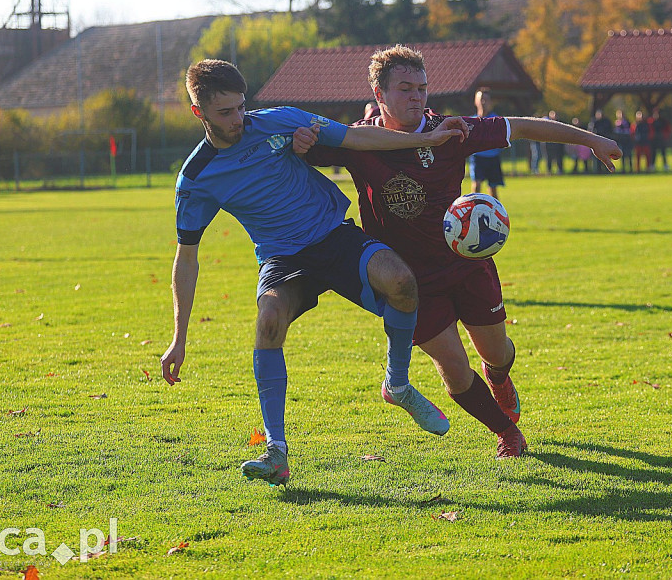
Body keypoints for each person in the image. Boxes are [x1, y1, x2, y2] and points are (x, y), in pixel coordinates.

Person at [296, 45, 621, 458]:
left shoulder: (452, 130)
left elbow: (520, 127)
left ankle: (499, 377)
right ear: (379, 95)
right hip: (410, 282)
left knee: (497, 353)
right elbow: (293, 147)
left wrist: (592, 140)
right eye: (405, 89)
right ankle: (506, 432)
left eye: (422, 88)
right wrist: (302, 140)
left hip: (467, 265)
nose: (417, 96)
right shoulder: (357, 140)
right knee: (451, 366)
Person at [161, 59, 469, 486]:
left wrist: (430, 138)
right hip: (283, 260)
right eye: (225, 113)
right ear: (200, 113)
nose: (238, 120)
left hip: (333, 236)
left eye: (241, 107)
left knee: (402, 281)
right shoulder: (196, 178)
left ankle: (397, 385)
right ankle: (277, 451)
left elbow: (356, 137)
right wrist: (179, 338)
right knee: (268, 322)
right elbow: (187, 258)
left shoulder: (278, 121)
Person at [468, 87, 506, 198]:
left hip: (493, 158)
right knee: (476, 185)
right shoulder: (471, 121)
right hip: (477, 158)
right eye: (481, 99)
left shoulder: (496, 121)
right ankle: (473, 210)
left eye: (486, 100)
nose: (483, 102)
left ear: (490, 102)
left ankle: (496, 213)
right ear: (476, 101)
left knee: (493, 188)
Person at [591, 110, 614, 174]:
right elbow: (592, 131)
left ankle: (607, 169)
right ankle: (597, 170)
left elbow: (610, 131)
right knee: (597, 157)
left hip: (605, 141)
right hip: (597, 142)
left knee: (607, 156)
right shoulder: (595, 122)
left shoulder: (607, 122)